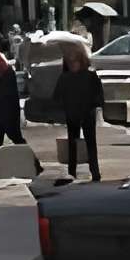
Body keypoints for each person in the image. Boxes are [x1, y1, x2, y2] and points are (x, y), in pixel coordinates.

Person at [52, 40, 104, 182]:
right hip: (73, 113)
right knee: (73, 144)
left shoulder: (90, 76)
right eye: (70, 62)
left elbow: (98, 95)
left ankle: (94, 172)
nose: (73, 65)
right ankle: (73, 172)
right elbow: (57, 96)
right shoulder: (65, 78)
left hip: (86, 113)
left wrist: (94, 105)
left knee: (90, 143)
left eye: (75, 62)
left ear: (81, 62)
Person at [0, 60, 33, 170]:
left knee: (3, 139)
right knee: (9, 139)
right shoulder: (4, 67)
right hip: (5, 109)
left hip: (2, 109)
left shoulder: (0, 68)